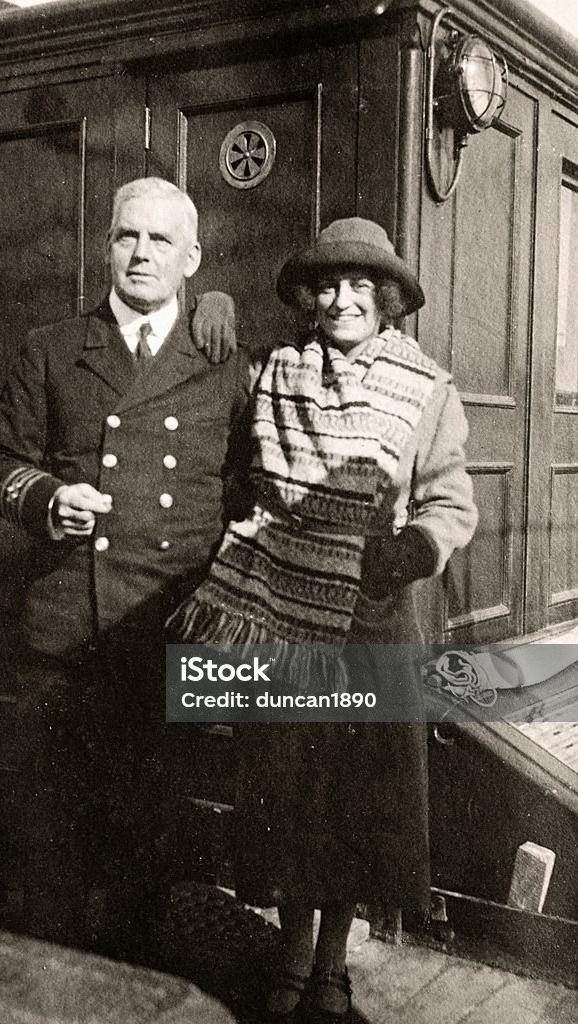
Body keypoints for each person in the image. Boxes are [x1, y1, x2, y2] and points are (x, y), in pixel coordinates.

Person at [169, 217, 478, 1021]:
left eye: (361, 286)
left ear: (386, 300)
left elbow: (450, 503)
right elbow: (236, 466)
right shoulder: (274, 373)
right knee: (284, 793)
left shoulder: (427, 390)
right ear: (311, 298)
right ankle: (293, 948)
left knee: (358, 803)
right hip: (279, 615)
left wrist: (405, 551)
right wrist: (211, 294)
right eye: (330, 285)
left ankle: (333, 967)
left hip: (371, 623)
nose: (344, 299)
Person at [0, 177, 251, 951]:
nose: (141, 253)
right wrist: (43, 498)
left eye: (161, 240)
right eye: (127, 236)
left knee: (149, 843)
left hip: (166, 631)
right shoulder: (53, 347)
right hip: (65, 631)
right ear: (106, 246)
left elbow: (247, 482)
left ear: (191, 258)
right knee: (52, 843)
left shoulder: (225, 358)